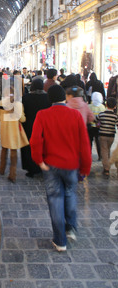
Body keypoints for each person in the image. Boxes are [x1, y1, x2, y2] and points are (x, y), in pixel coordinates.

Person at [30, 84, 92, 252]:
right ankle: (70, 227)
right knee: (70, 193)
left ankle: (60, 241)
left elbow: (35, 140)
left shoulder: (42, 115)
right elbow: (85, 144)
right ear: (64, 97)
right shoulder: (75, 115)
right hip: (71, 165)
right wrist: (85, 168)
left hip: (51, 166)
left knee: (55, 200)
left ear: (49, 99)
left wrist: (39, 161)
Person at [0, 89, 29, 183]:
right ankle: (12, 174)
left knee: (4, 149)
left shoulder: (0, 104)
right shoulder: (18, 104)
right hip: (14, 131)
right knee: (14, 152)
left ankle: (2, 169)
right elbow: (22, 119)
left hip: (4, 130)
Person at [21, 79, 51, 178]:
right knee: (43, 146)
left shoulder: (26, 97)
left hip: (29, 125)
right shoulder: (47, 97)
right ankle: (42, 166)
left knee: (29, 147)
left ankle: (31, 169)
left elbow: (22, 112)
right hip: (44, 125)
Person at [97, 97, 118, 178]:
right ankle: (107, 164)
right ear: (115, 106)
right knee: (107, 149)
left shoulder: (101, 114)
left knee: (104, 151)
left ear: (106, 104)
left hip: (102, 135)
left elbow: (96, 120)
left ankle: (106, 168)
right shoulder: (115, 116)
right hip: (111, 136)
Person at [88, 92, 105, 160]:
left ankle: (89, 155)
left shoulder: (89, 106)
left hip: (90, 127)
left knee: (89, 142)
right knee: (98, 142)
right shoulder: (102, 107)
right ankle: (100, 156)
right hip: (98, 127)